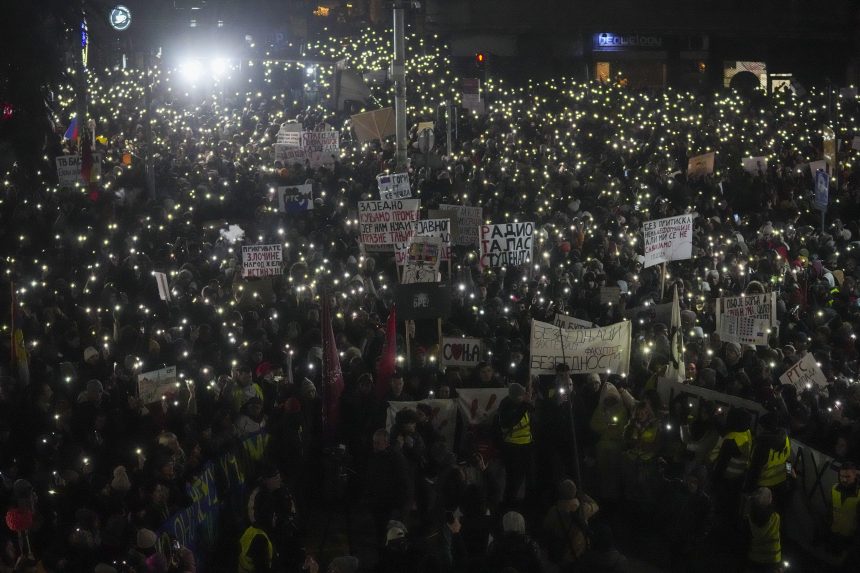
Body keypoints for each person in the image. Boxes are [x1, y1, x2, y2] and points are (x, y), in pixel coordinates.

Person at [541, 479, 598, 571]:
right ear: (575, 492)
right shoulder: (583, 509)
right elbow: (595, 505)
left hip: (561, 555)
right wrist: (584, 496)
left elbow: (546, 527)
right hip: (580, 554)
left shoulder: (553, 511)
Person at [497, 382, 535, 508]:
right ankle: (509, 505)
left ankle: (525, 504)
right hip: (513, 448)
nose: (523, 398)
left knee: (528, 477)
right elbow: (510, 421)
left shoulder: (523, 403)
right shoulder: (506, 406)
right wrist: (524, 405)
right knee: (514, 480)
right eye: (521, 396)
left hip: (526, 446)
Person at [743, 487, 782, 573]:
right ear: (770, 499)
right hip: (773, 558)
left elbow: (746, 538)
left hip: (754, 557)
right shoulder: (775, 517)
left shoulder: (749, 518)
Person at [826, 462, 860, 554]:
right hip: (833, 530)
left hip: (849, 536)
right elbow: (830, 509)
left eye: (848, 477)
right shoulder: (835, 488)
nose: (844, 479)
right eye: (841, 476)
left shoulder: (858, 495)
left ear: (855, 476)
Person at [237, 503, 277, 573]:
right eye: (273, 516)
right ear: (268, 517)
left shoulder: (250, 530)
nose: (275, 518)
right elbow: (262, 569)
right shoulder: (260, 539)